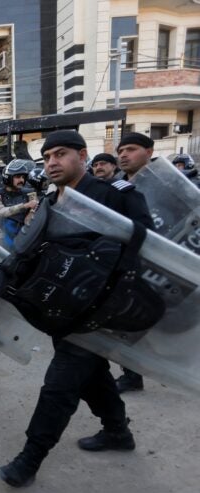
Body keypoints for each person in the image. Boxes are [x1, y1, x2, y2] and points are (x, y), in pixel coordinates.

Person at [0, 130, 154, 488]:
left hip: (100, 310)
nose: (52, 162)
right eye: (47, 156)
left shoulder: (113, 195)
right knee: (93, 377)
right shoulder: (51, 202)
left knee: (60, 384)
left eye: (61, 154)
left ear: (82, 156)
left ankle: (30, 458)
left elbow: (145, 243)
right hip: (63, 312)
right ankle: (117, 432)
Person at [113, 133, 157, 393]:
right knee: (128, 322)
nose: (123, 155)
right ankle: (132, 374)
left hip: (168, 261)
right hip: (133, 266)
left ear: (149, 152)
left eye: (131, 149)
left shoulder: (168, 183)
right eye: (121, 151)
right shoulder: (118, 187)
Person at [0, 159, 38, 249]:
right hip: (2, 238)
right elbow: (1, 212)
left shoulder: (30, 192)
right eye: (18, 177)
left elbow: (35, 208)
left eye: (23, 177)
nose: (21, 180)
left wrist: (31, 212)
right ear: (8, 177)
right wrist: (25, 206)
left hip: (23, 236)